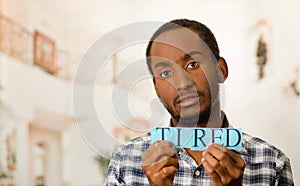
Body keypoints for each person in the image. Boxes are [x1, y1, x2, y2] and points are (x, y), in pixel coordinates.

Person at [105, 19, 294, 185]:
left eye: (193, 64)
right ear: (156, 87)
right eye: (166, 73)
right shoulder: (125, 161)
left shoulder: (273, 164)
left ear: (221, 70)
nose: (182, 83)